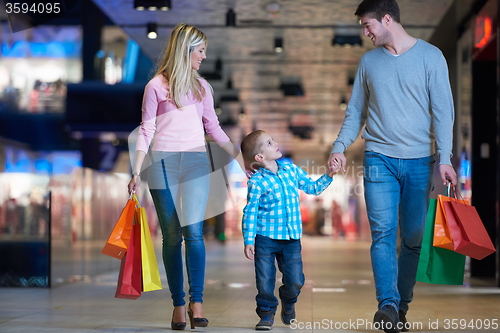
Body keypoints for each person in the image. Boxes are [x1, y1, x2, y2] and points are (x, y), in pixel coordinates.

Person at [327, 1, 457, 332]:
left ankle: (401, 305)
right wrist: (339, 147)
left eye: (368, 25)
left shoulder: (431, 57)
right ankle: (386, 305)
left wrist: (445, 158)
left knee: (412, 237)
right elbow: (355, 111)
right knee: (383, 233)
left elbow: (443, 111)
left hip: (418, 160)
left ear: (388, 20)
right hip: (378, 158)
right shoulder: (369, 62)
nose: (365, 32)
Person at [127, 23, 242, 331]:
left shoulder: (203, 88)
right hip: (160, 166)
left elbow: (213, 128)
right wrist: (136, 171)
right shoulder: (155, 87)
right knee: (171, 236)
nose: (204, 56)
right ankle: (179, 304)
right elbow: (146, 129)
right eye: (201, 50)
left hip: (194, 165)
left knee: (193, 234)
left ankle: (197, 302)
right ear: (187, 50)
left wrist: (240, 157)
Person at [241, 130, 338, 331]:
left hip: (292, 239)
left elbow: (312, 188)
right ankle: (266, 313)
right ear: (259, 157)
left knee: (296, 281)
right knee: (265, 279)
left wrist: (328, 175)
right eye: (269, 143)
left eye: (272, 139)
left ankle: (289, 299)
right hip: (265, 238)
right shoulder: (257, 181)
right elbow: (250, 211)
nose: (275, 143)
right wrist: (249, 240)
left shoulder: (291, 170)